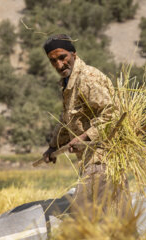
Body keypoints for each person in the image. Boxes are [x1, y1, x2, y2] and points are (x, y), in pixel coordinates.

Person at [42, 34, 129, 217]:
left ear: (73, 54)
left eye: (62, 57)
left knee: (86, 214)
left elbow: (113, 114)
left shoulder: (87, 78)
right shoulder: (68, 82)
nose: (59, 65)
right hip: (90, 159)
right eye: (53, 61)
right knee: (114, 219)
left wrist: (84, 137)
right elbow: (67, 120)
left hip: (104, 157)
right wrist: (53, 146)